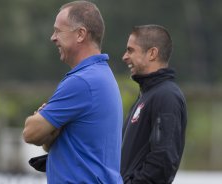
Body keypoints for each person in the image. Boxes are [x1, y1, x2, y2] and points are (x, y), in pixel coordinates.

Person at [23, 1, 123, 183]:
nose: (53, 38)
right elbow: (48, 144)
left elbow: (30, 132)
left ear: (80, 34)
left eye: (58, 31)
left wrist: (43, 121)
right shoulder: (99, 74)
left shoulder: (82, 81)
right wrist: (50, 130)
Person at [121, 24, 187, 184]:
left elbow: (162, 161)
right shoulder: (147, 95)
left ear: (152, 53)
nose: (124, 57)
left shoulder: (166, 96)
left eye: (130, 50)